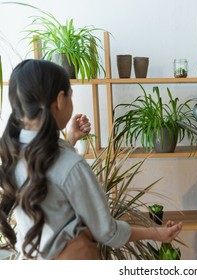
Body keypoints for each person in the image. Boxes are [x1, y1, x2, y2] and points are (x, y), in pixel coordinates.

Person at [0, 59, 182, 260]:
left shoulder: (11, 153)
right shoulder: (70, 165)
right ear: (60, 100)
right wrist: (157, 233)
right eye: (70, 95)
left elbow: (51, 183)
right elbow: (107, 232)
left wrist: (69, 140)